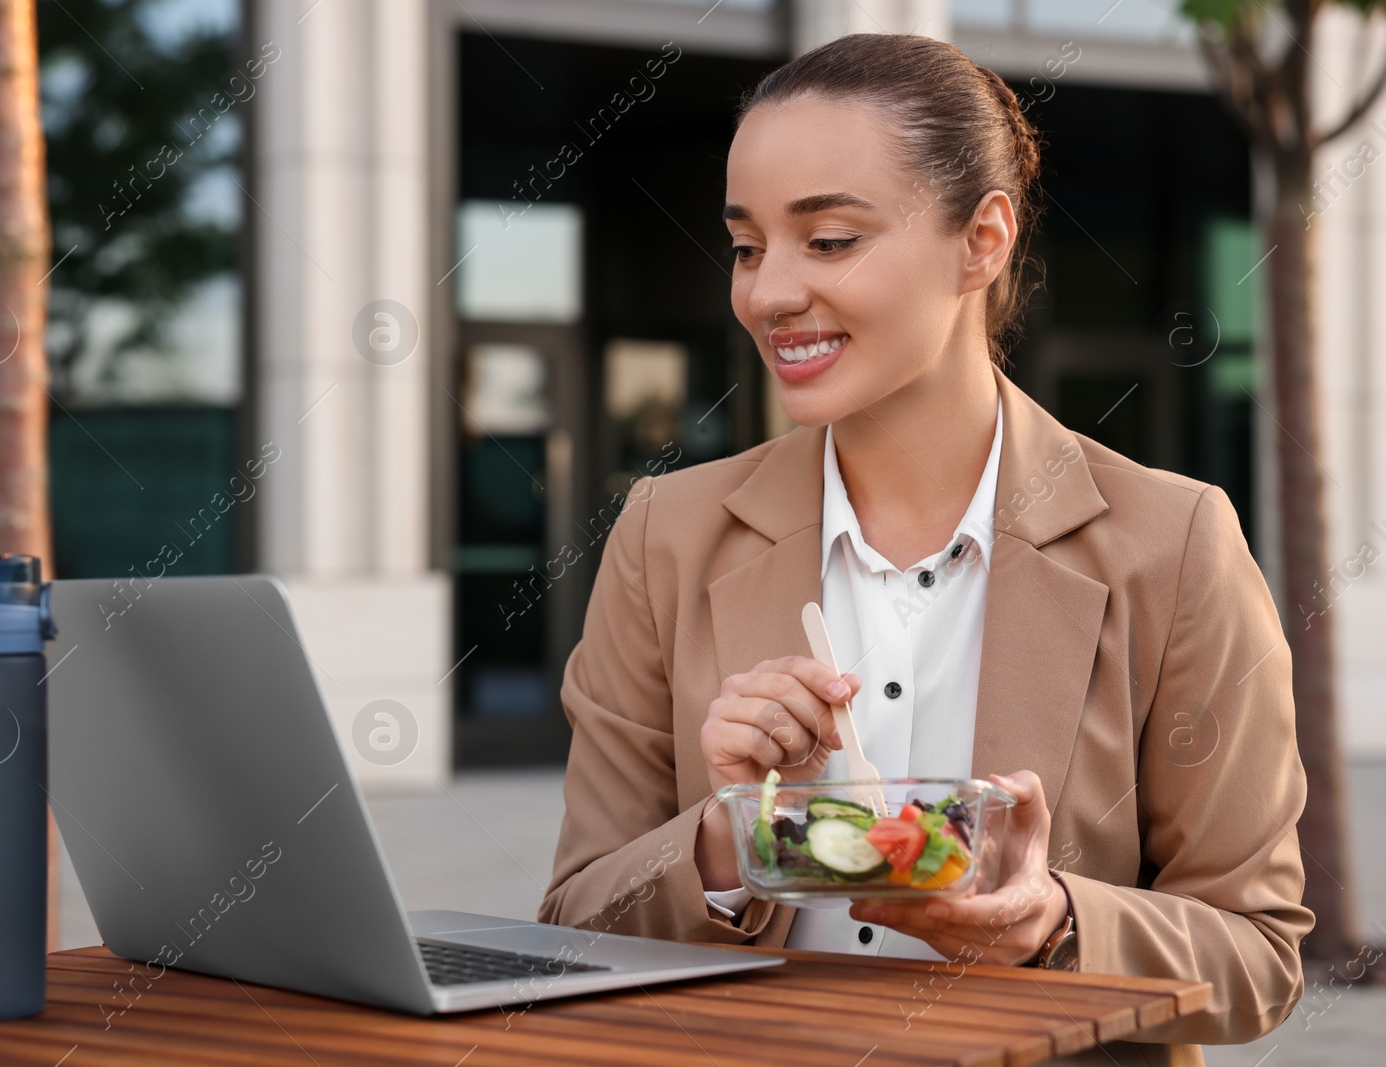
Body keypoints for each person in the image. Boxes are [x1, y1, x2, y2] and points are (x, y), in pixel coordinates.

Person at [538, 33, 1311, 1066]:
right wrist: (726, 840)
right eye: (746, 245)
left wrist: (1051, 923)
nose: (767, 293)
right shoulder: (665, 534)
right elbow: (568, 921)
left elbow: (1257, 954)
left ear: (981, 239)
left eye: (828, 240)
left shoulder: (1171, 543)